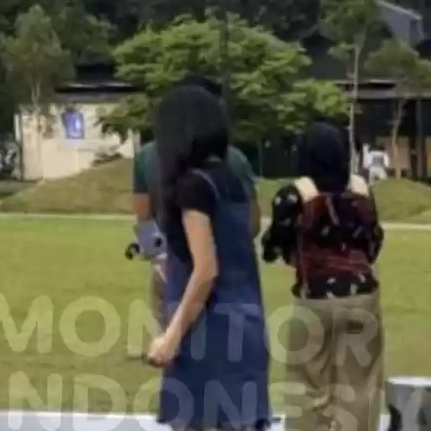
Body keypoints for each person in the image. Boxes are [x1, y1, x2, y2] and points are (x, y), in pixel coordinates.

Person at [143, 82, 272, 431]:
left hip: (209, 330)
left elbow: (205, 269)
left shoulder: (191, 186)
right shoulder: (234, 179)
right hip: (247, 323)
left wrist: (171, 336)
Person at [262, 121, 385, 431]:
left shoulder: (294, 196)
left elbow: (273, 245)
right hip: (362, 294)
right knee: (360, 389)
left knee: (307, 388)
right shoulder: (362, 190)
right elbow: (373, 242)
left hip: (314, 297)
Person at [133, 77, 261, 325]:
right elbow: (251, 223)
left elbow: (143, 219)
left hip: (172, 267)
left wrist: (158, 261)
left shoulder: (146, 157)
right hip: (228, 274)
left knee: (173, 338)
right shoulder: (234, 159)